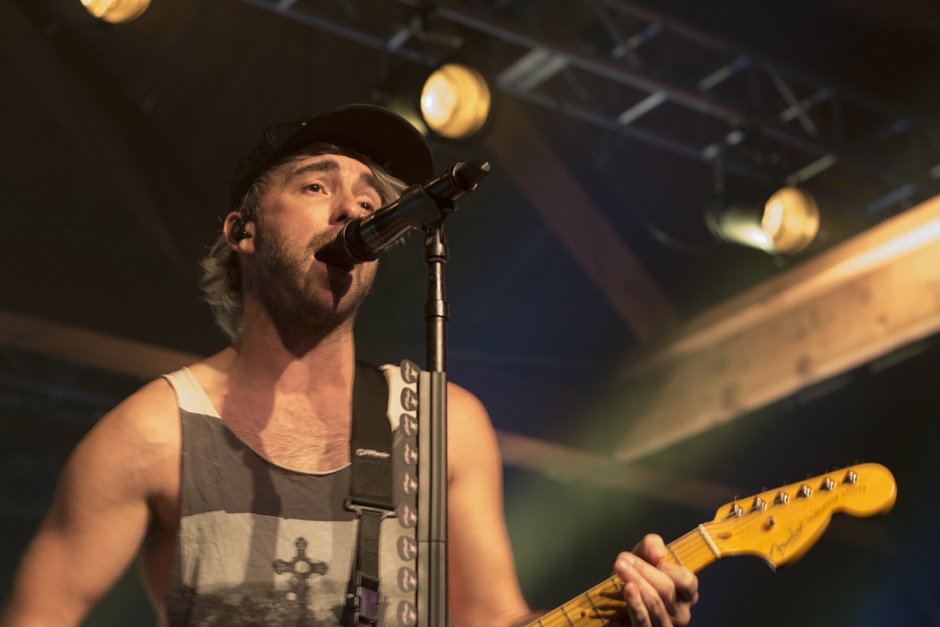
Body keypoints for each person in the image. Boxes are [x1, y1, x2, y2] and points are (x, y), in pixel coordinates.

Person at [0, 104, 698, 627]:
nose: (352, 212)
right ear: (242, 231)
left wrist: (617, 617)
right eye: (315, 188)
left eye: (370, 202)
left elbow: (495, 617)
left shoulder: (444, 424)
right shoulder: (152, 434)